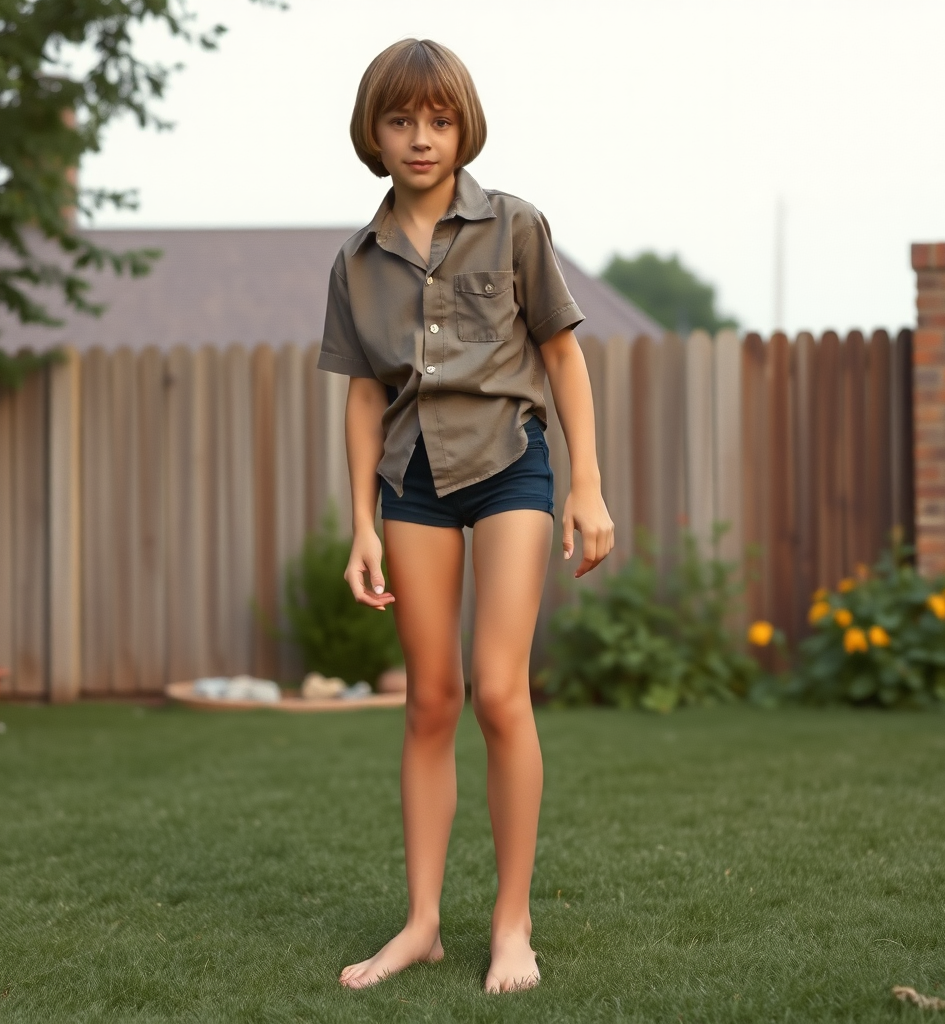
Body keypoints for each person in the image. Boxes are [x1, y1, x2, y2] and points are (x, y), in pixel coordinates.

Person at [317, 38, 614, 994]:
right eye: (401, 120)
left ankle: (513, 923)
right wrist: (360, 521)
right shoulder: (356, 262)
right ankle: (421, 925)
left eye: (438, 120)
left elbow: (564, 358)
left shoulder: (516, 224)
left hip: (510, 469)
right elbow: (365, 395)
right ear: (375, 130)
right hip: (410, 482)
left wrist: (588, 485)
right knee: (430, 700)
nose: (420, 138)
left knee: (498, 690)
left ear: (463, 126)